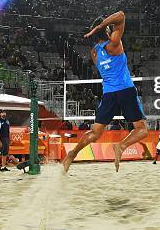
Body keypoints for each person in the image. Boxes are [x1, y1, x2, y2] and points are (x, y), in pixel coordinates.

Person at [62, 11, 148, 173]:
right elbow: (121, 15)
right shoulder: (114, 44)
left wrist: (99, 28)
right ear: (107, 30)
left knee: (95, 133)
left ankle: (71, 155)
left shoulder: (94, 52)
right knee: (142, 129)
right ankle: (121, 146)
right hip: (125, 89)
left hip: (108, 94)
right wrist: (101, 26)